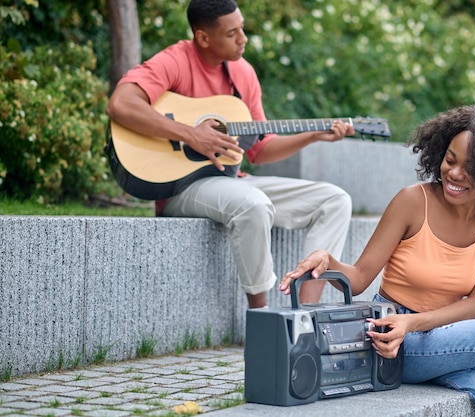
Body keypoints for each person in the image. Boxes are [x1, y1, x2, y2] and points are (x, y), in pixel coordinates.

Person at [280, 102, 475, 417]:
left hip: (447, 337)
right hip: (395, 338)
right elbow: (360, 277)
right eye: (450, 160)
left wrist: (414, 323)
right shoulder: (413, 201)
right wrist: (328, 259)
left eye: (470, 168)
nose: (454, 174)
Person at [106, 0, 354, 308]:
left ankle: (305, 315)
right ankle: (262, 317)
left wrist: (314, 135)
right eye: (232, 32)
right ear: (203, 38)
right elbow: (121, 104)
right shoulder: (175, 60)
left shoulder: (243, 74)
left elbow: (260, 150)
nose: (243, 39)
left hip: (231, 179)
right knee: (253, 205)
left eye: (243, 29)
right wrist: (192, 134)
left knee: (335, 200)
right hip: (180, 187)